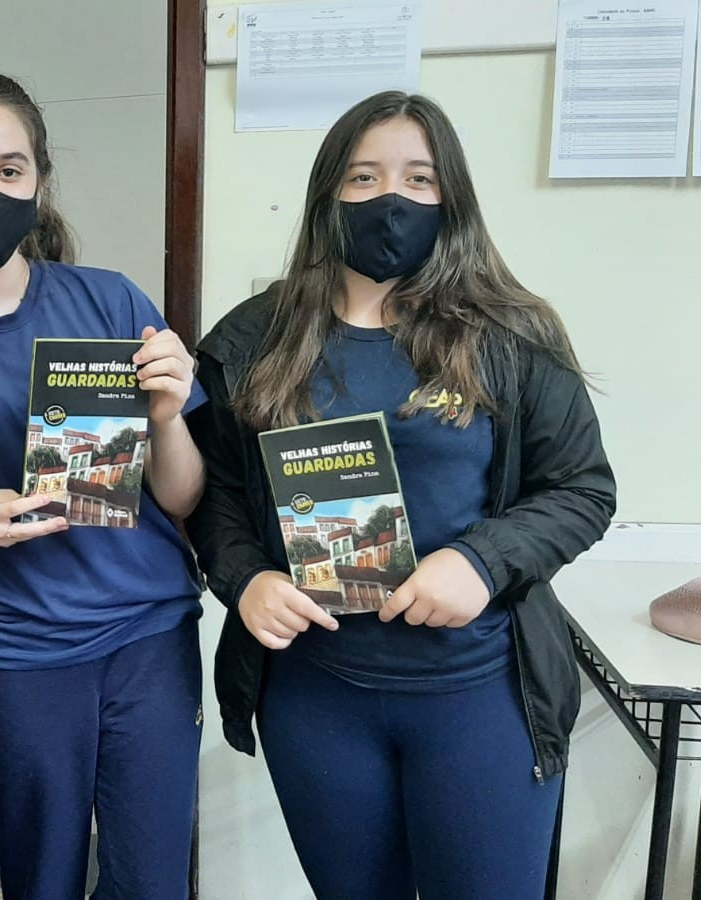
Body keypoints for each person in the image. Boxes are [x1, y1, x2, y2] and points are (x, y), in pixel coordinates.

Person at [186, 90, 617, 900]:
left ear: (452, 197)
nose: (392, 199)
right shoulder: (252, 338)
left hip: (479, 697)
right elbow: (217, 498)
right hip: (318, 698)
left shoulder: (513, 334)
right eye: (364, 177)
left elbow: (582, 489)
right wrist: (246, 580)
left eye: (419, 179)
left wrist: (482, 561)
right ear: (328, 195)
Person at [0, 70, 207, 900]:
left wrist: (168, 415)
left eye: (9, 169)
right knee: (41, 880)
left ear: (39, 183)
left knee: (153, 884)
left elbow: (181, 498)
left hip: (147, 633)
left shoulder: (112, 303)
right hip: (13, 650)